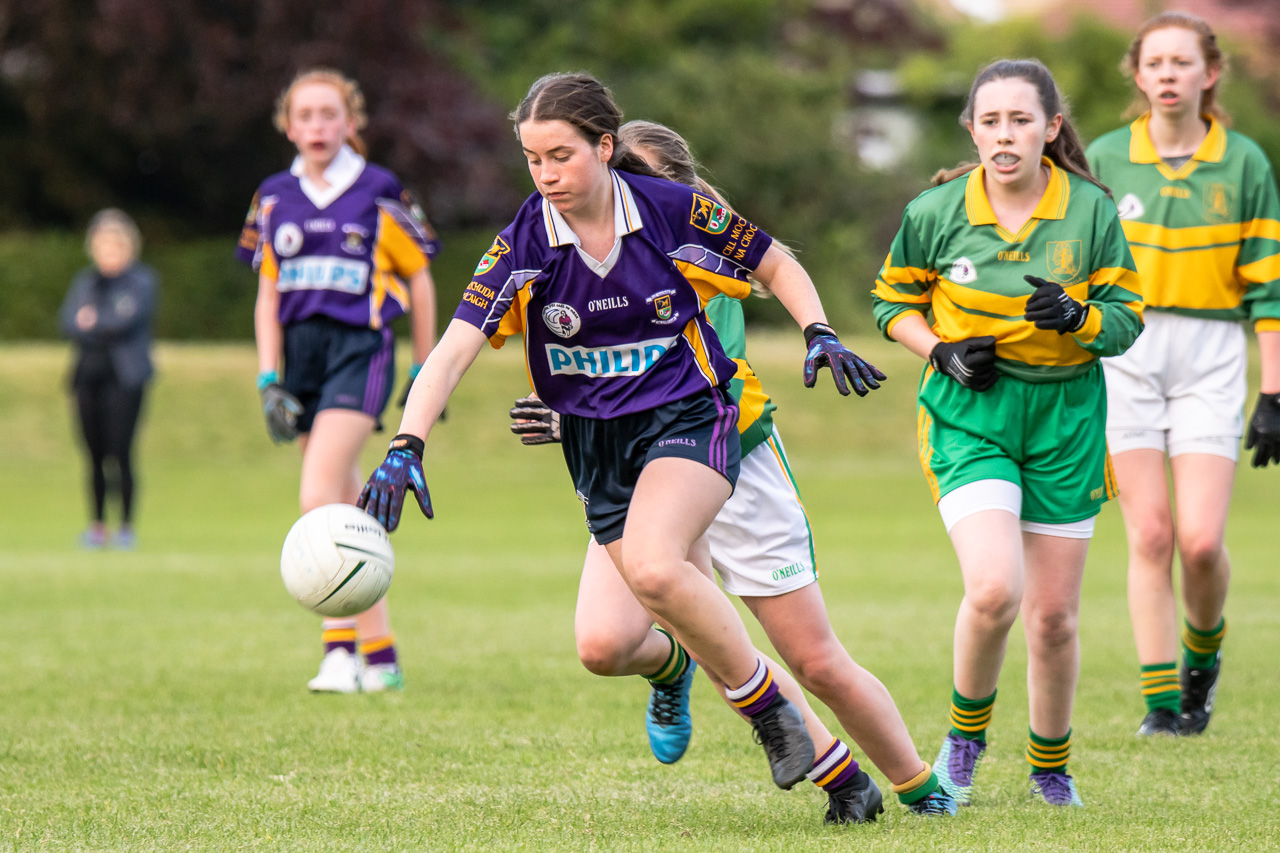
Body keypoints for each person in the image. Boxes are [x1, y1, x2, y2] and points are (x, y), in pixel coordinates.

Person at [359, 72, 884, 794]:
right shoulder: (523, 242)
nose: (545, 175)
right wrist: (405, 443)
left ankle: (771, 715)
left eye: (561, 156)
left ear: (604, 147)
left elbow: (772, 259)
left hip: (692, 416)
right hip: (598, 447)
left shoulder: (672, 210)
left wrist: (818, 331)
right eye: (533, 159)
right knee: (603, 645)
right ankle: (828, 769)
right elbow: (453, 348)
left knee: (656, 564)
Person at [507, 119, 957, 824]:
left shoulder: (695, 258)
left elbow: (686, 382)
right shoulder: (585, 246)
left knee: (812, 659)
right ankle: (682, 670)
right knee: (606, 643)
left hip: (726, 457)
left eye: (637, 175)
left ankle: (918, 785)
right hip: (638, 467)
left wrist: (820, 333)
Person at [871, 59, 1144, 807]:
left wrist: (1081, 318)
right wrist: (940, 351)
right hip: (972, 417)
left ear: (1051, 129)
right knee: (994, 589)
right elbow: (890, 300)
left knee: (1052, 618)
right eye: (990, 120)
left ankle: (1051, 768)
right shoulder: (937, 210)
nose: (1004, 134)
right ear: (972, 129)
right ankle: (964, 738)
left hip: (1066, 420)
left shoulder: (1090, 210)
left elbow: (1126, 321)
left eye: (1021, 120)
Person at [1085, 12, 1280, 738]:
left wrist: (1274, 390)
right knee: (1151, 536)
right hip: (1128, 350)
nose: (1168, 74)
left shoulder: (1245, 162)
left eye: (1182, 62)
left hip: (1211, 352)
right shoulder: (1105, 157)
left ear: (1211, 73)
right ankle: (1164, 704)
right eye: (1155, 63)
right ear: (1138, 76)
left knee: (1200, 540)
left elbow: (1268, 285)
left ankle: (1203, 666)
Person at [235, 68, 441, 694]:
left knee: (317, 492)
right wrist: (269, 377)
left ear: (351, 123)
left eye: (330, 114)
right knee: (351, 503)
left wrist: (424, 367)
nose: (318, 126)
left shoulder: (379, 191)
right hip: (300, 358)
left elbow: (420, 279)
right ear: (288, 125)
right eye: (305, 115)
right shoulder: (273, 196)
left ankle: (338, 651)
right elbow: (268, 293)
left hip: (361, 349)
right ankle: (381, 656)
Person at [58, 209, 158, 550]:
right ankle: (97, 526)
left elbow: (124, 322)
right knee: (94, 454)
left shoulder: (141, 281)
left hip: (125, 379)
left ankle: (126, 526)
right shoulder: (85, 282)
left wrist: (93, 322)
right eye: (102, 247)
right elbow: (69, 322)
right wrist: (100, 323)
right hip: (88, 377)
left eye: (115, 247)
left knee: (121, 452)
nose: (108, 254)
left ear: (128, 248)